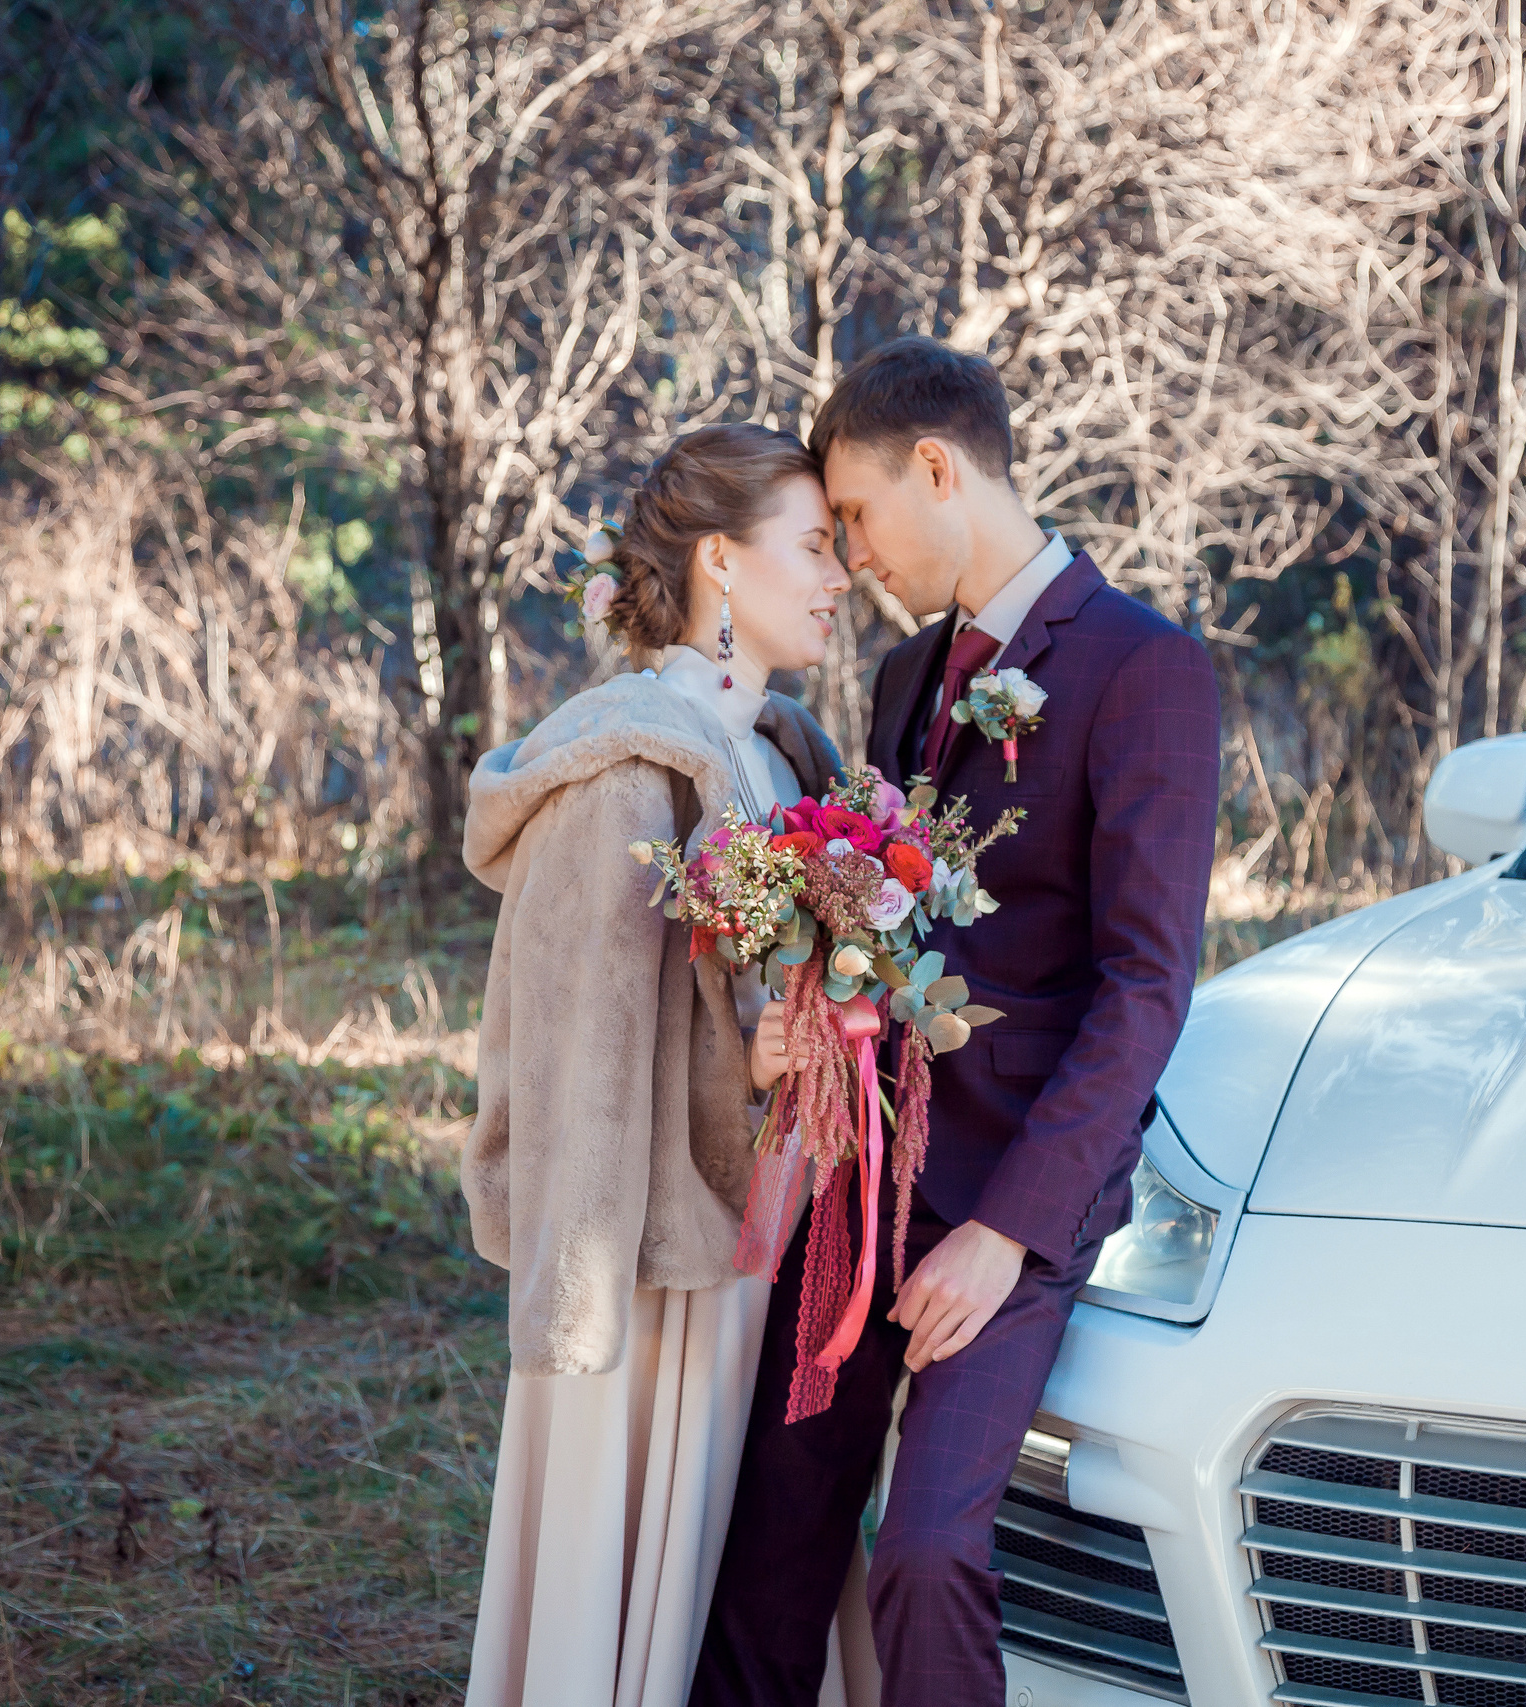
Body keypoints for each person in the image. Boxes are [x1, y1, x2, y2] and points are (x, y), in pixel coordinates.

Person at [692, 338, 1222, 1707]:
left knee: (924, 1549)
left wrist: (1007, 1233)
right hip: (863, 1177)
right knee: (771, 1535)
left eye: (856, 514)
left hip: (1015, 1201)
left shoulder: (1144, 670)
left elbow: (1146, 985)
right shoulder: (909, 677)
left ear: (938, 468)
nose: (850, 553)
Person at [460, 423, 853, 1707]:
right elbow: (586, 1045)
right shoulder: (627, 762)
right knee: (631, 1574)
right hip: (650, 1265)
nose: (841, 573)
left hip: (771, 1234)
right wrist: (746, 1061)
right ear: (724, 565)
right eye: (813, 545)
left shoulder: (780, 748)